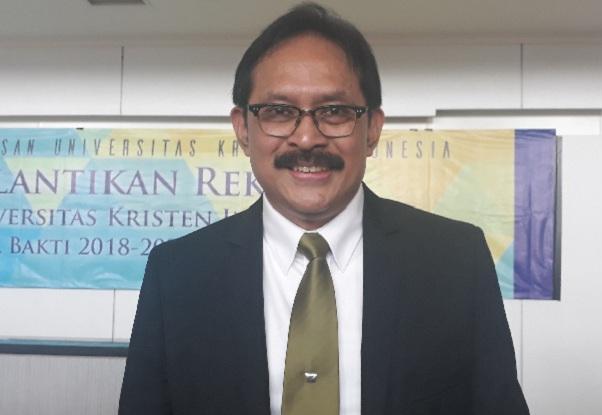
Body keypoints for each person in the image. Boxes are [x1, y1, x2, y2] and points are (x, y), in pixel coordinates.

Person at [119, 3, 529, 415]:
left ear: (373, 129)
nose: (306, 138)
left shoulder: (455, 261)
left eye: (334, 112)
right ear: (243, 129)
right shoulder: (177, 274)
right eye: (279, 112)